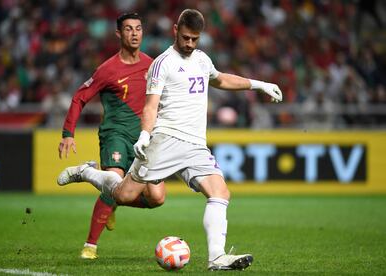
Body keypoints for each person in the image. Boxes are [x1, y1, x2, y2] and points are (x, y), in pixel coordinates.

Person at [58, 9, 282, 270]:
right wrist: (145, 134)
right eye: (185, 37)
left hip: (196, 144)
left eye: (194, 39)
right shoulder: (162, 63)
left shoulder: (201, 59)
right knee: (124, 193)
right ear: (175, 29)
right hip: (165, 140)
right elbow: (151, 105)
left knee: (220, 192)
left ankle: (217, 257)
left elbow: (220, 79)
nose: (189, 44)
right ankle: (87, 173)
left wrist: (258, 84)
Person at [57, 12, 165, 260]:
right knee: (113, 180)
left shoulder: (152, 65)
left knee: (157, 198)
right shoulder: (107, 69)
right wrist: (67, 134)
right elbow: (79, 97)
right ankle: (90, 245)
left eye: (138, 28)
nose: (134, 33)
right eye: (128, 29)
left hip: (145, 139)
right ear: (119, 34)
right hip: (115, 133)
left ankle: (112, 198)